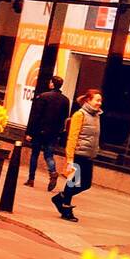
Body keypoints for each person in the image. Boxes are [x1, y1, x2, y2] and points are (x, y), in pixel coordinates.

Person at [57, 90, 102, 222]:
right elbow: (72, 137)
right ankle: (66, 208)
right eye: (97, 100)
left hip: (89, 155)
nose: (99, 103)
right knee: (73, 183)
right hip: (78, 155)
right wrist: (70, 158)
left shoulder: (97, 116)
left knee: (86, 184)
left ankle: (60, 198)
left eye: (100, 100)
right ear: (88, 100)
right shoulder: (79, 115)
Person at [24, 75, 70, 192]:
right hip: (53, 133)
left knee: (35, 154)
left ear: (52, 84)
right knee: (49, 154)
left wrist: (30, 132)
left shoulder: (44, 97)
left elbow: (36, 116)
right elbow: (64, 117)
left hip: (39, 131)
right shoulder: (65, 100)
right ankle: (53, 171)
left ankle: (31, 179)